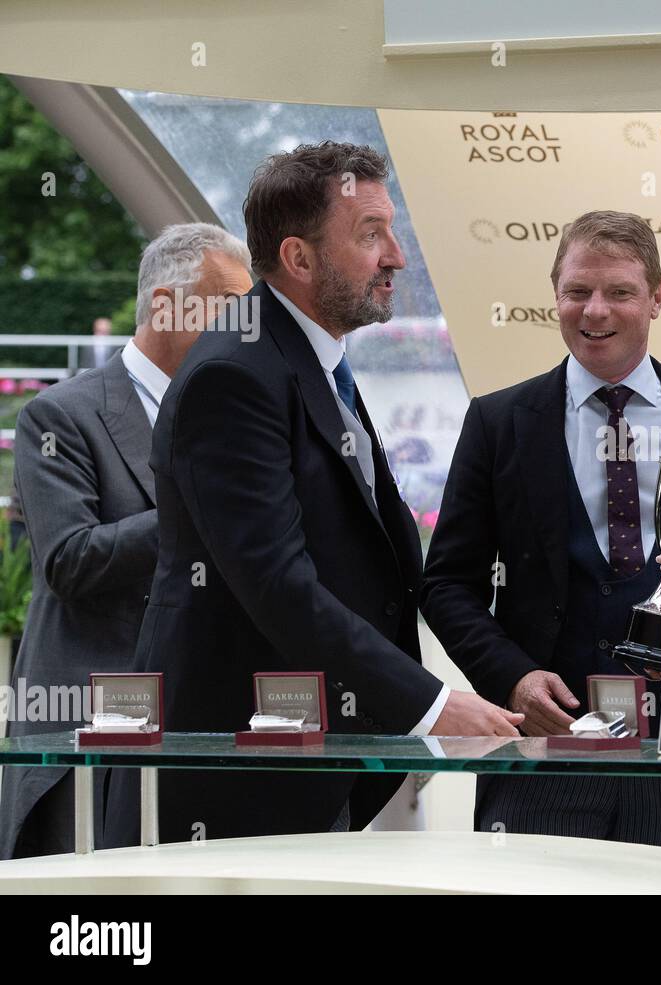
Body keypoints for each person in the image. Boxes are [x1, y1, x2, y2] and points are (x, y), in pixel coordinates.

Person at [104, 142, 520, 849]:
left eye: (392, 231)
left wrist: (500, 675)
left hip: (311, 767)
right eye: (370, 235)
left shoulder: (308, 361)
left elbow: (381, 568)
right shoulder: (234, 375)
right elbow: (279, 585)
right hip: (236, 784)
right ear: (298, 259)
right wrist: (432, 704)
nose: (397, 256)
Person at [422, 210, 661, 850]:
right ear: (555, 293)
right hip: (542, 745)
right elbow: (447, 584)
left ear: (658, 297)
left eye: (619, 293)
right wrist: (513, 678)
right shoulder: (498, 422)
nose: (594, 311)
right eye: (577, 291)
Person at [0, 223, 253, 858]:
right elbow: (67, 560)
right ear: (165, 305)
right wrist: (200, 498)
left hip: (210, 739)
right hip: (90, 743)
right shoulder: (59, 416)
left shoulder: (242, 421)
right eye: (227, 310)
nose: (244, 332)